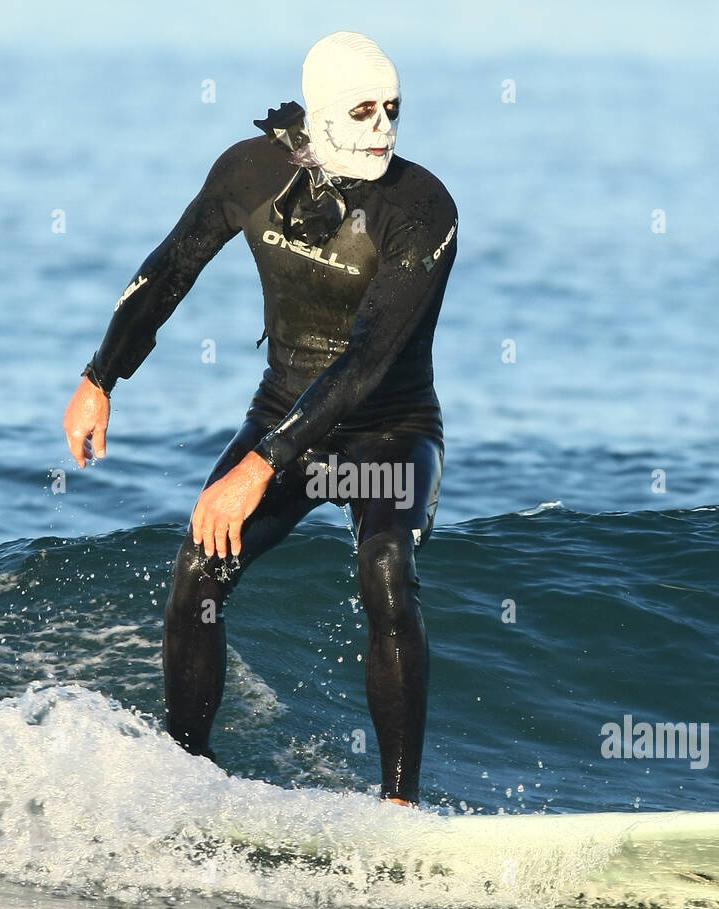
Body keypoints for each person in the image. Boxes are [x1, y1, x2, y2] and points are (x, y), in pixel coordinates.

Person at [62, 30, 458, 806]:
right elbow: (172, 266)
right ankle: (188, 773)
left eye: (394, 110)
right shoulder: (251, 171)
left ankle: (400, 806)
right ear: (319, 115)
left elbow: (367, 361)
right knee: (197, 568)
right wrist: (100, 375)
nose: (383, 127)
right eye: (364, 110)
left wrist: (259, 465)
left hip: (390, 429)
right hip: (284, 410)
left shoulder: (421, 210)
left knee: (385, 569)